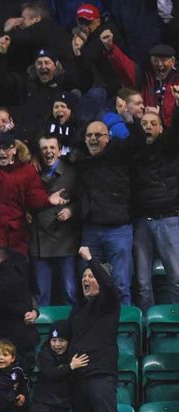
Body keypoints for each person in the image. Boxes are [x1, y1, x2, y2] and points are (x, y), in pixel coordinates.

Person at [68, 121, 134, 304]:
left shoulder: (120, 157)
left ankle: (124, 329)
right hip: (91, 230)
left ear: (108, 138)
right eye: (89, 136)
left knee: (121, 283)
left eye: (98, 135)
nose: (93, 139)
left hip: (118, 228)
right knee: (90, 283)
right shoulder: (82, 161)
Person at [132, 101, 179, 310]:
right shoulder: (134, 152)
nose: (148, 127)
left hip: (168, 219)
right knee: (142, 282)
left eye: (152, 123)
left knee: (177, 277)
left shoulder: (170, 148)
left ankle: (176, 320)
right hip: (142, 222)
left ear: (161, 128)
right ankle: (147, 327)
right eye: (144, 123)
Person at [68, 246, 119, 412]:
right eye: (84, 277)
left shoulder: (109, 304)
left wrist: (90, 259)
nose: (85, 280)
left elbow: (109, 286)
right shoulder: (77, 309)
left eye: (91, 276)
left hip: (100, 376)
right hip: (78, 378)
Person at [29, 135, 79, 306]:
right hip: (39, 242)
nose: (48, 152)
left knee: (70, 292)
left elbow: (83, 200)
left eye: (52, 148)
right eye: (44, 148)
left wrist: (71, 210)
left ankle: (70, 330)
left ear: (59, 151)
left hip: (65, 240)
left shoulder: (71, 173)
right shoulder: (31, 173)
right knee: (41, 294)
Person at [102, 31, 179, 126]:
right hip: (146, 126)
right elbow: (124, 66)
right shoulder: (144, 75)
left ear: (173, 61)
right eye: (156, 60)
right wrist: (111, 47)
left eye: (164, 60)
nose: (159, 64)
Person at [29, 320, 90, 412]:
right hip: (42, 405)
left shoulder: (74, 355)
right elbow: (51, 373)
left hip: (62, 408)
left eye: (61, 340)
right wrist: (70, 366)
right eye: (54, 340)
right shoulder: (44, 354)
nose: (57, 344)